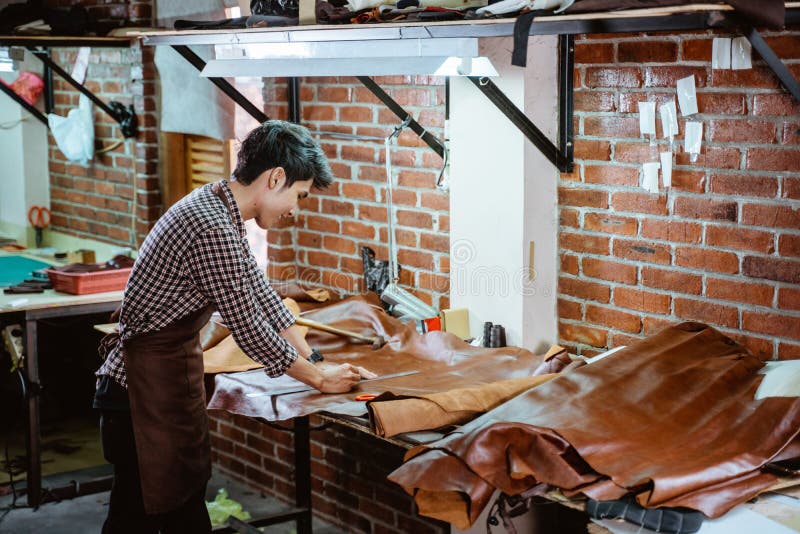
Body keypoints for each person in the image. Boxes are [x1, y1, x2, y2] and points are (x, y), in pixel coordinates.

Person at [93, 120, 375, 533]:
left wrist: (315, 357)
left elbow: (261, 295)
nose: (295, 210)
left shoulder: (219, 208)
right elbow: (248, 327)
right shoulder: (212, 226)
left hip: (162, 388)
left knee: (168, 512)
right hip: (138, 398)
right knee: (141, 520)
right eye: (299, 195)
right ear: (275, 177)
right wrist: (319, 380)